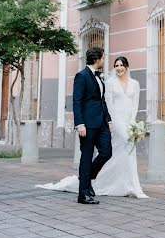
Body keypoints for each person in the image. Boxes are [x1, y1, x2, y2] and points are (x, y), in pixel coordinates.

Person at [36, 54, 148, 199]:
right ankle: (84, 190)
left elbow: (112, 103)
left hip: (111, 123)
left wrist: (130, 123)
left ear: (126, 67)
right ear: (96, 60)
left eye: (121, 65)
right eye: (116, 65)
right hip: (101, 123)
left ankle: (115, 182)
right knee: (88, 155)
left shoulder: (119, 81)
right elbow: (78, 101)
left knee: (107, 153)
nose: (118, 68)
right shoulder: (85, 77)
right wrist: (80, 124)